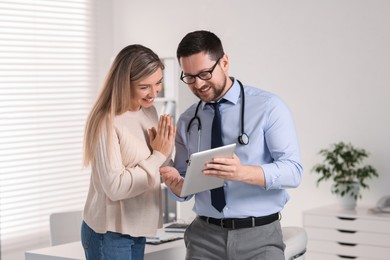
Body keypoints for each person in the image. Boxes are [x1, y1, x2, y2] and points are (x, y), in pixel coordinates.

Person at [160, 30, 303, 260]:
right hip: (203, 239)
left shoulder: (269, 107)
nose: (198, 84)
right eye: (189, 77)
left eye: (205, 73)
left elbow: (293, 172)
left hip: (259, 237)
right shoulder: (188, 120)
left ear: (224, 62)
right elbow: (185, 180)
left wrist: (243, 173)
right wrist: (179, 189)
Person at [81, 44, 176, 260]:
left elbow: (155, 169)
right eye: (145, 87)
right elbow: (115, 187)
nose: (154, 93)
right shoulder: (107, 121)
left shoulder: (150, 112)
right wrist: (159, 156)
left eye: (158, 83)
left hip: (138, 227)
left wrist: (167, 161)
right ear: (125, 83)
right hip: (110, 234)